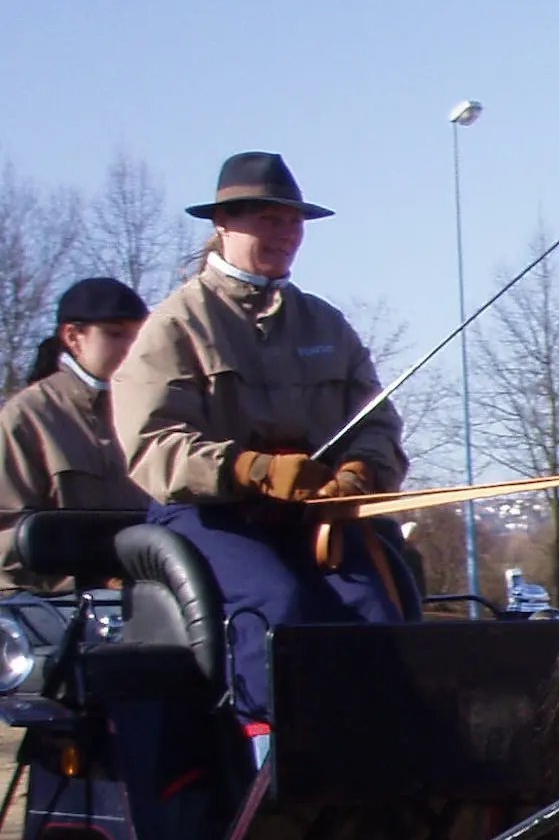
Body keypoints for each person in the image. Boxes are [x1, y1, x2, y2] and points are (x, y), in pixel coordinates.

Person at [112, 152, 410, 742]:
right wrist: (250, 469)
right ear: (223, 224)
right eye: (268, 220)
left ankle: (386, 761)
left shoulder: (328, 326)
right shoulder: (177, 325)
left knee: (381, 611)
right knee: (275, 605)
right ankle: (271, 762)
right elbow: (152, 445)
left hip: (312, 518)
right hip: (208, 514)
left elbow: (379, 424)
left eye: (293, 221)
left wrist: (359, 472)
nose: (285, 233)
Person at [0, 278, 152, 591]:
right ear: (73, 336)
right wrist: (90, 581)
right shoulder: (28, 417)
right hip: (57, 608)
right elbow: (7, 539)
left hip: (153, 595)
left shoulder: (152, 413)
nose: (131, 348)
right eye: (116, 334)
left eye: (140, 337)